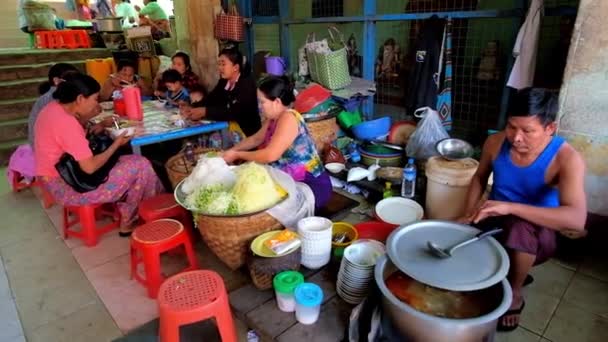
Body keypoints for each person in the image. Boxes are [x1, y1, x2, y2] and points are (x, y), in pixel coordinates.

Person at [458, 88, 586, 331]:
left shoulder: (567, 159)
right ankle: (504, 268)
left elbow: (577, 219)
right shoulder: (495, 142)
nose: (516, 138)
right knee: (454, 232)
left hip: (537, 236)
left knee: (519, 227)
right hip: (495, 219)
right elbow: (479, 178)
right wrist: (468, 212)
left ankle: (515, 293)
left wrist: (509, 207)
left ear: (550, 128)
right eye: (511, 127)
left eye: (527, 131)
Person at [34, 73, 164, 236]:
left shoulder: (54, 108)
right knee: (142, 166)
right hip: (68, 186)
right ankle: (131, 221)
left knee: (133, 161)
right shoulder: (66, 124)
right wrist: (116, 143)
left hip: (57, 175)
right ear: (80, 98)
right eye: (95, 99)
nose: (96, 104)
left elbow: (71, 142)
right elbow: (89, 167)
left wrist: (101, 124)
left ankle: (140, 209)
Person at [222, 76, 332, 210]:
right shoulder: (274, 118)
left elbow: (270, 155)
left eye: (262, 102)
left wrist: (238, 155)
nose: (259, 106)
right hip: (289, 180)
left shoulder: (288, 118)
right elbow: (256, 139)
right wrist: (230, 152)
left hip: (310, 186)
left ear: (277, 102)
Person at [182, 48, 261, 137]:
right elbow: (212, 98)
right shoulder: (224, 82)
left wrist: (205, 111)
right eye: (219, 64)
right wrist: (193, 107)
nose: (220, 68)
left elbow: (235, 112)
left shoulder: (246, 85)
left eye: (223, 64)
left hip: (248, 133)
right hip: (229, 129)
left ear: (235, 67)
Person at [28, 63, 80, 148]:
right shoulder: (53, 98)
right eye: (71, 80)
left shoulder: (54, 95)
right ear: (56, 80)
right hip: (45, 150)